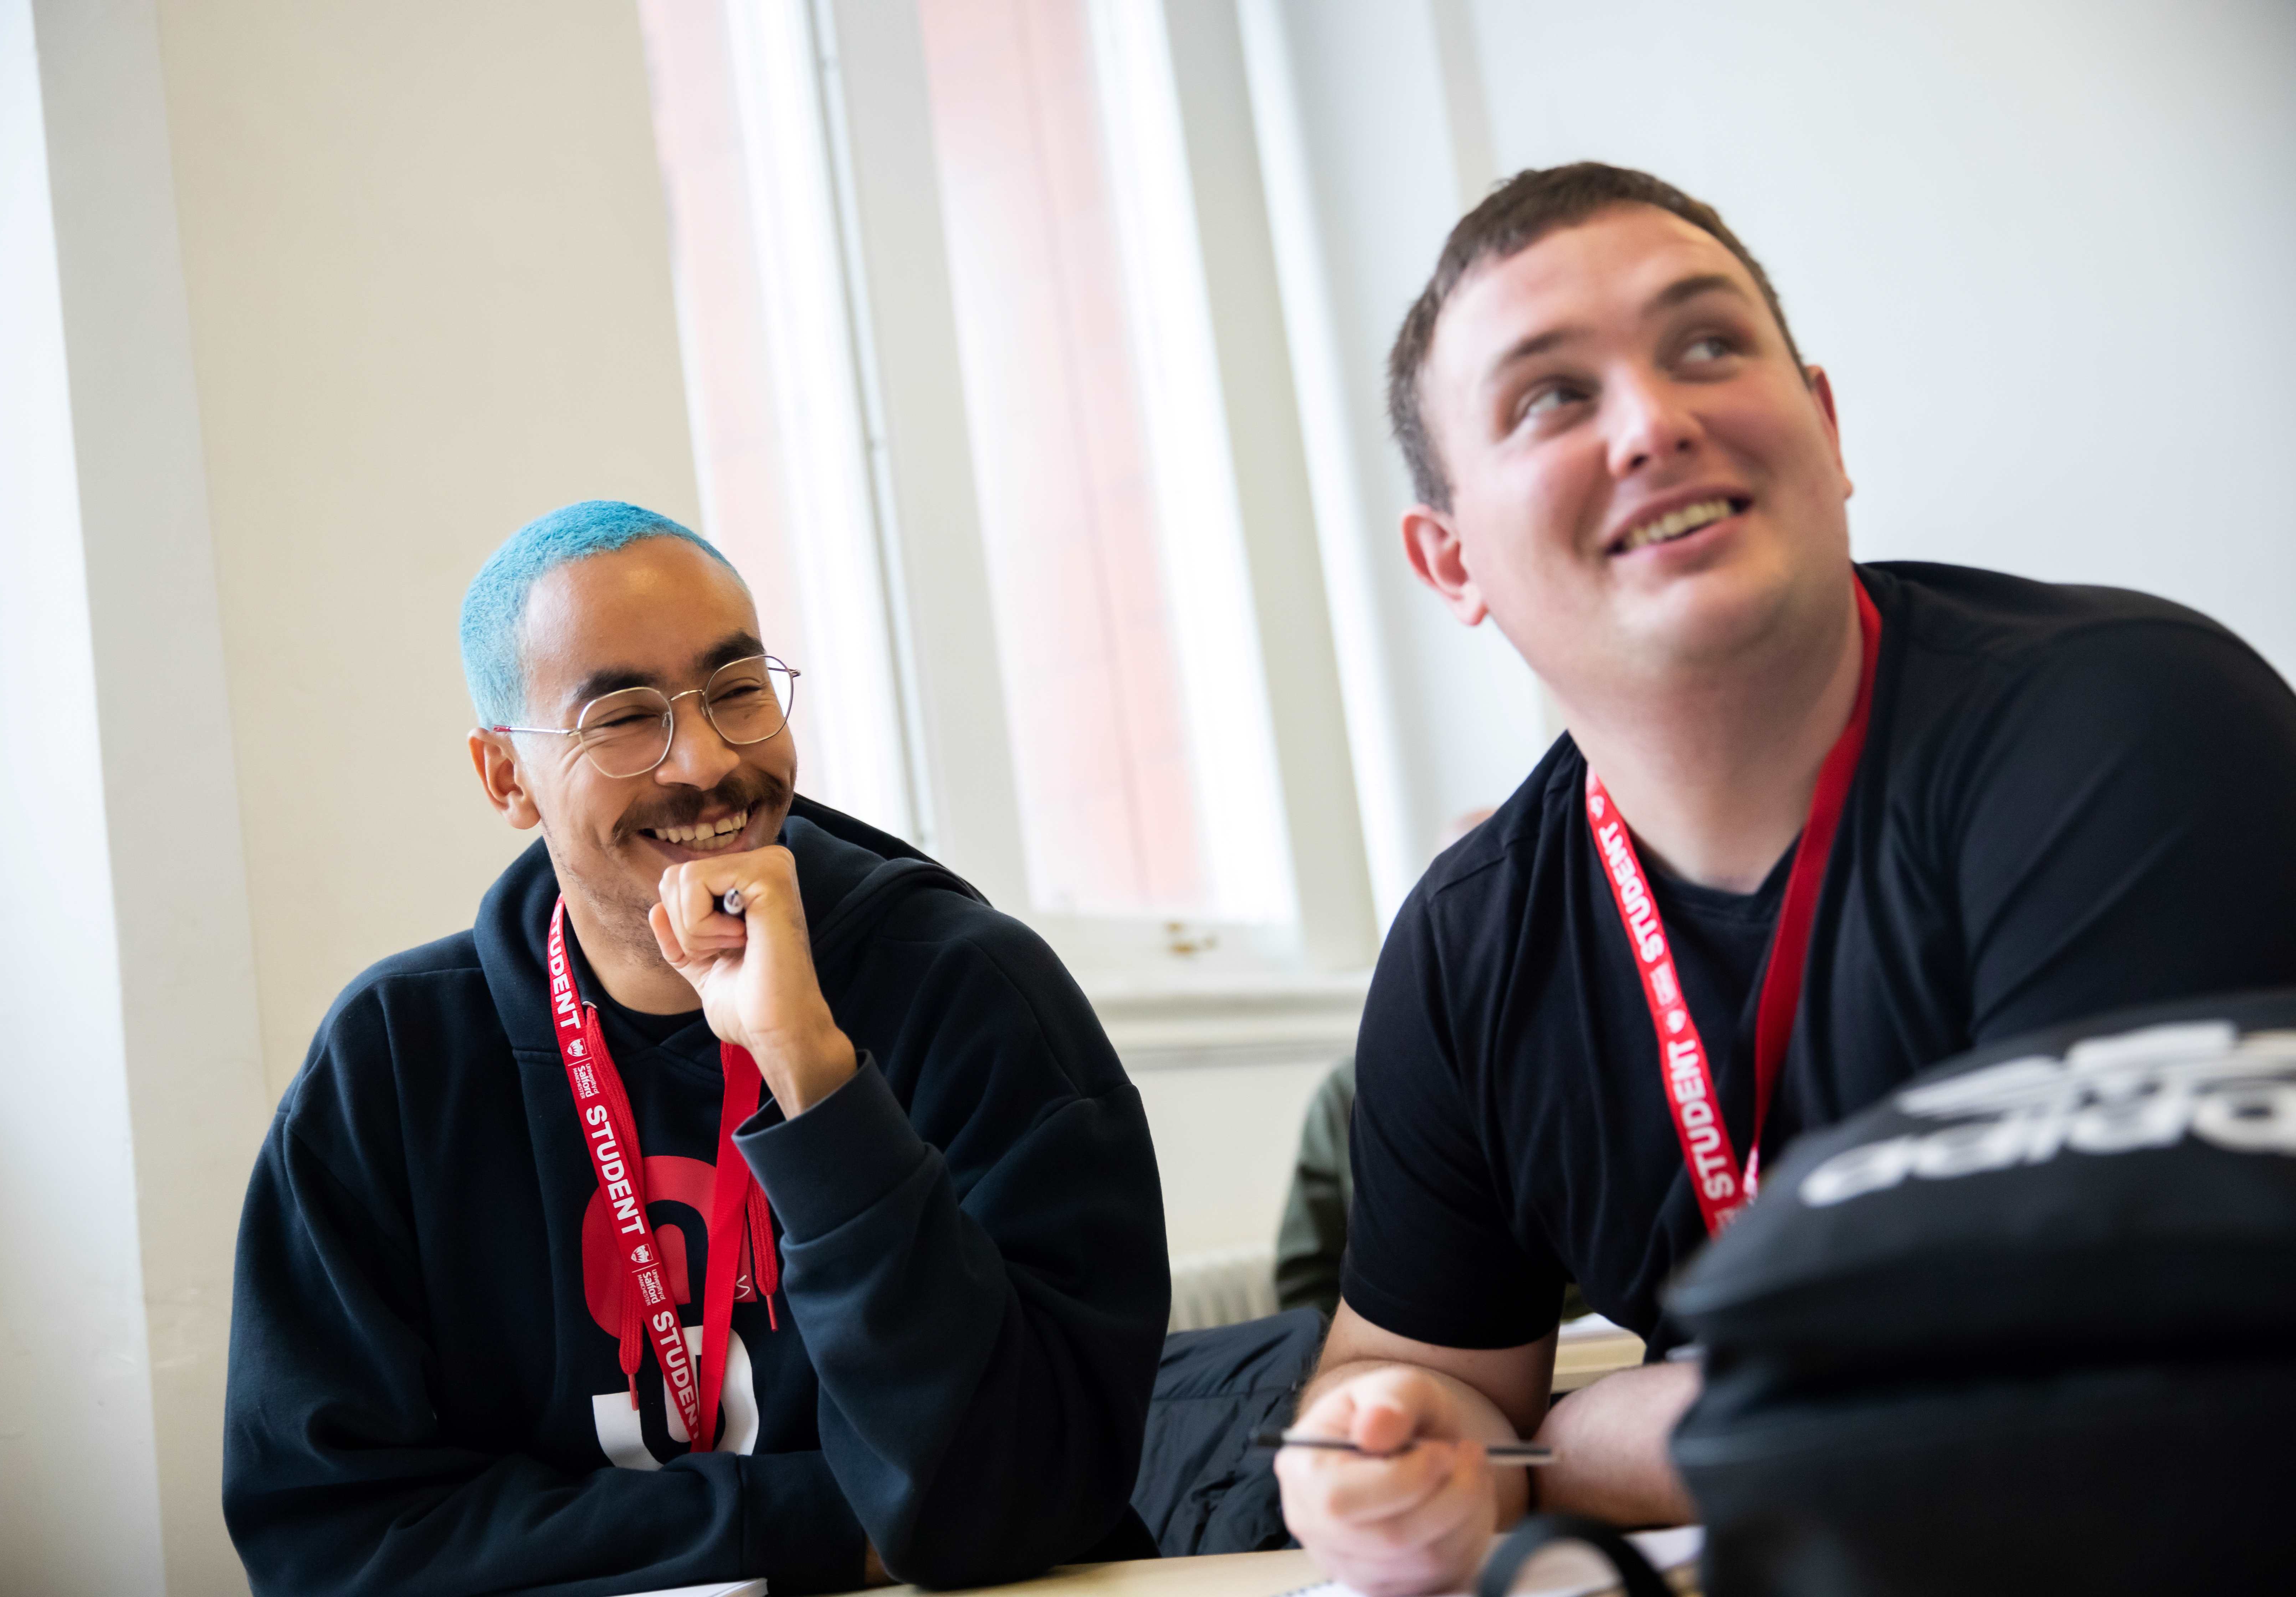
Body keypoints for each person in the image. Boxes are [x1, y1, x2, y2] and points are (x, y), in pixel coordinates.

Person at [1273, 163, 2296, 1595]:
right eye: (1553, 397)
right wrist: (1381, 1459)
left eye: (1706, 344)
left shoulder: (2129, 732)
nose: (1655, 421)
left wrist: (1574, 1439)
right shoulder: (1465, 946)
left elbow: (2092, 1392)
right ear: (1452, 560)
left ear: (1821, 425)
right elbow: (1406, 1387)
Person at [223, 502, 1170, 1596]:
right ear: (505, 778)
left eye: (736, 691)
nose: (707, 761)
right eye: (622, 716)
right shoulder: (392, 1064)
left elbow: (1021, 1501)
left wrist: (814, 1077)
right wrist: (831, 1526)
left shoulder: (973, 994)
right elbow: (328, 1541)